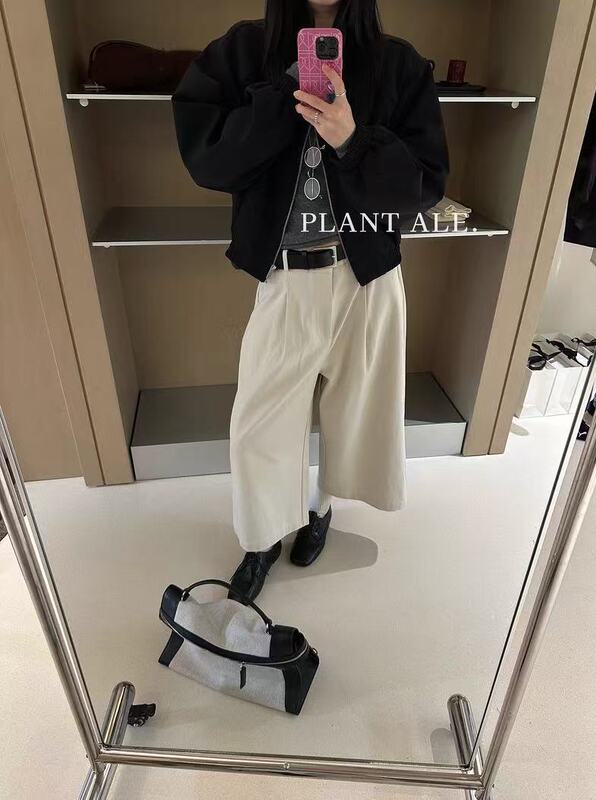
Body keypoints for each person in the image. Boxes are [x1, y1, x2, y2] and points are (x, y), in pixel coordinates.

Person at [172, 0, 449, 603]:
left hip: (366, 276)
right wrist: (281, 95)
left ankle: (320, 508)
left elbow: (424, 185)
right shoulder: (243, 51)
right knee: (259, 423)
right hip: (285, 276)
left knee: (355, 412)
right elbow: (209, 161)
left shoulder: (397, 64)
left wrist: (354, 140)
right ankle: (261, 539)